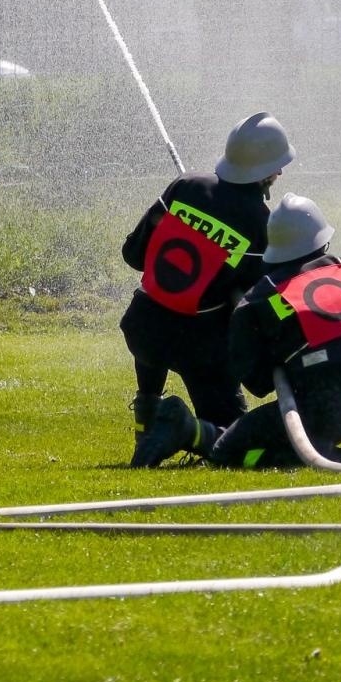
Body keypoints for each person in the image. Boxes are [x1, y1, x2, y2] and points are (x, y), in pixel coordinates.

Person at [136, 192, 341, 469]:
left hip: (320, 402)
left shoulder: (260, 296)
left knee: (229, 452)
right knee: (294, 437)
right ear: (320, 239)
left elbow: (255, 382)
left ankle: (185, 429)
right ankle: (327, 452)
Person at [121, 112, 296, 467]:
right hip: (198, 349)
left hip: (141, 330)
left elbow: (133, 255)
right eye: (277, 166)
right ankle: (182, 429)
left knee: (157, 309)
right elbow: (251, 302)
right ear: (264, 171)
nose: (280, 173)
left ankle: (147, 421)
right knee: (232, 439)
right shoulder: (261, 224)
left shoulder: (184, 186)